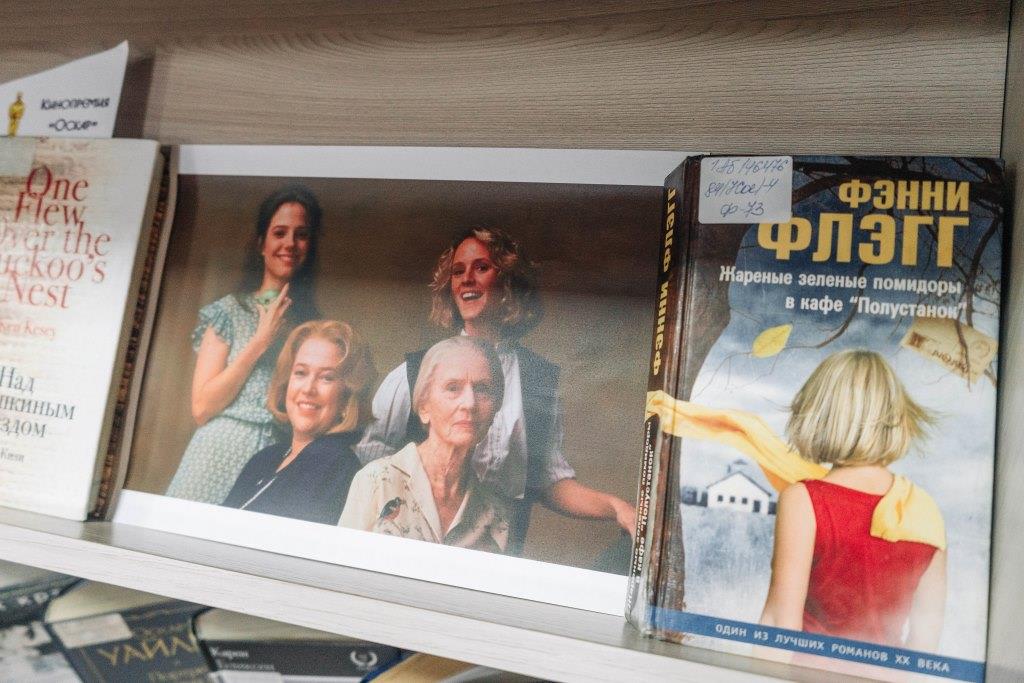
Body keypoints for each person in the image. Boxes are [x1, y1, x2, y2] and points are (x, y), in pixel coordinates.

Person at [355, 227, 635, 555]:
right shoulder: (419, 371)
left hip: (494, 550)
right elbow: (368, 457)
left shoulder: (537, 380)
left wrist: (616, 507)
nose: (466, 279)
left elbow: (548, 481)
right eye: (457, 272)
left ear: (508, 282)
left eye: (482, 268)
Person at [759, 350, 947, 650]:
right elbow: (926, 642)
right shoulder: (922, 509)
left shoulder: (804, 500)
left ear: (819, 416)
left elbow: (780, 622)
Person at [166, 185, 323, 504]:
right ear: (261, 244)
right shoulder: (228, 312)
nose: (290, 243)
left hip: (277, 461)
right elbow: (202, 408)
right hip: (216, 454)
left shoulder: (314, 329)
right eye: (279, 233)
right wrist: (260, 343)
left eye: (301, 234)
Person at [340, 336, 512, 553]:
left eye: (482, 389)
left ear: (495, 409)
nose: (469, 403)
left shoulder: (497, 514)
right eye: (453, 388)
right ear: (424, 407)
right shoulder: (375, 482)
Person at [222, 320, 375, 524]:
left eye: (327, 377)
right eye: (301, 373)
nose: (308, 389)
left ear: (347, 397)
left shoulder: (339, 468)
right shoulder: (265, 457)